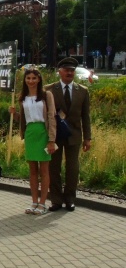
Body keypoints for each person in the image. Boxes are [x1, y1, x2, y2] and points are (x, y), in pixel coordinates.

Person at [45, 57, 92, 211]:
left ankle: (70, 198)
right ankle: (56, 200)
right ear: (59, 71)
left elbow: (86, 116)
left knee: (73, 168)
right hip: (55, 136)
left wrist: (88, 138)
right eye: (66, 70)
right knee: (54, 167)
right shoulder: (49, 89)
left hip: (74, 135)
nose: (69, 73)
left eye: (72, 70)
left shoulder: (83, 91)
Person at [10, 68, 57, 215]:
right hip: (30, 133)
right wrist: (15, 114)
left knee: (44, 170)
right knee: (32, 170)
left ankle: (43, 203)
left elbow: (51, 117)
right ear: (25, 80)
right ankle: (34, 201)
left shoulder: (46, 95)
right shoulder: (22, 97)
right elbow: (24, 118)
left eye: (33, 78)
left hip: (43, 132)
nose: (31, 81)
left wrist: (51, 139)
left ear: (39, 79)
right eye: (28, 78)